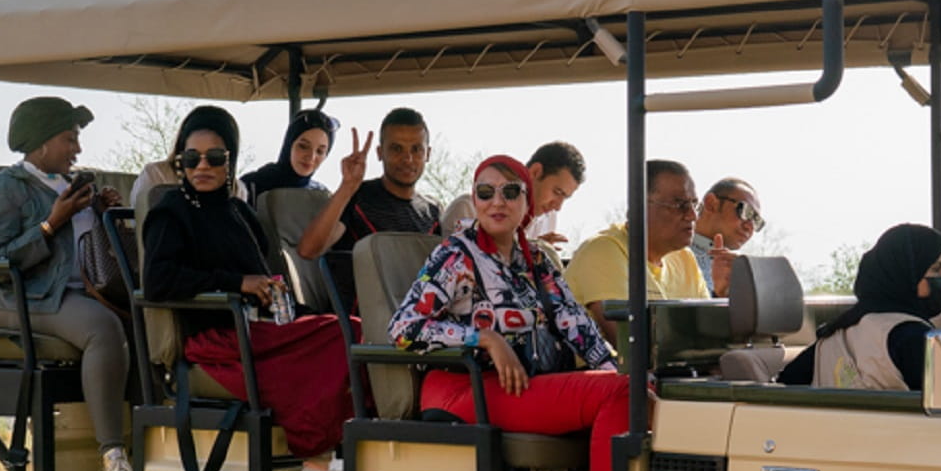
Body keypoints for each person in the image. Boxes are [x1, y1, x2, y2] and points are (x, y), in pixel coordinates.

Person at [389, 156, 628, 471]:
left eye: (510, 191)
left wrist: (619, 374)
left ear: (527, 202)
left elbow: (579, 329)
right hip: (466, 388)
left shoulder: (537, 261)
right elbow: (404, 328)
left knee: (630, 389)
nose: (496, 201)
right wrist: (483, 338)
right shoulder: (456, 256)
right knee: (619, 393)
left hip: (523, 385)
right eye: (485, 192)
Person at [142, 107, 355, 470]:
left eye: (215, 158)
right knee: (339, 335)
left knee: (351, 328)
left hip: (256, 328)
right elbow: (158, 279)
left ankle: (340, 448)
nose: (203, 167)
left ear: (230, 161)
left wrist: (275, 295)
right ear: (181, 162)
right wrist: (235, 283)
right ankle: (313, 448)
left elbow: (260, 276)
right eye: (192, 158)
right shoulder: (171, 211)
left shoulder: (238, 212)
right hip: (217, 338)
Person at [0, 96, 133, 471]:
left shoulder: (70, 184)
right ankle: (112, 458)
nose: (77, 149)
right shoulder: (4, 189)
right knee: (103, 329)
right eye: (69, 139)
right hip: (20, 297)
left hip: (76, 291)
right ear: (42, 143)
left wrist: (99, 212)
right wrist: (51, 223)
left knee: (148, 320)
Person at [296, 107, 440, 311]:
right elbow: (308, 250)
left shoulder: (433, 213)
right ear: (380, 153)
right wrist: (347, 187)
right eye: (396, 149)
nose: (407, 159)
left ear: (428, 154)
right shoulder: (357, 198)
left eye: (416, 149)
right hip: (365, 325)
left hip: (419, 320)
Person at [777, 224, 941, 391]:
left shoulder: (833, 335)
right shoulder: (912, 336)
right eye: (936, 270)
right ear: (904, 274)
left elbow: (785, 385)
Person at [564, 160, 707, 344]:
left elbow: (707, 338)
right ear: (640, 205)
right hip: (603, 370)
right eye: (679, 204)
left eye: (694, 205)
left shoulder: (684, 258)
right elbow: (630, 345)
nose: (692, 216)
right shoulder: (604, 250)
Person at [442, 141, 585, 252]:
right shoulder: (469, 209)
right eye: (557, 192)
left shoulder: (547, 220)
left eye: (565, 197)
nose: (558, 206)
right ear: (535, 172)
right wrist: (529, 251)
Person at [238, 109, 338, 204]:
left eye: (320, 151)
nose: (311, 157)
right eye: (303, 146)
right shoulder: (251, 186)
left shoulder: (322, 196)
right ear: (289, 145)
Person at [689, 177, 763, 298]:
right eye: (745, 212)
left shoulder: (742, 274)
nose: (749, 227)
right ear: (711, 204)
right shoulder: (668, 254)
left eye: (756, 221)